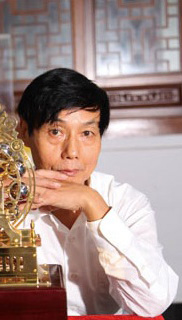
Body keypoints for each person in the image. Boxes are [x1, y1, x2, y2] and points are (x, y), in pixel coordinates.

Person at [16, 68, 178, 316]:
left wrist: (91, 202)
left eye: (87, 133)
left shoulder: (126, 203)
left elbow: (151, 304)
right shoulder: (3, 202)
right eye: (56, 132)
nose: (72, 151)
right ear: (24, 131)